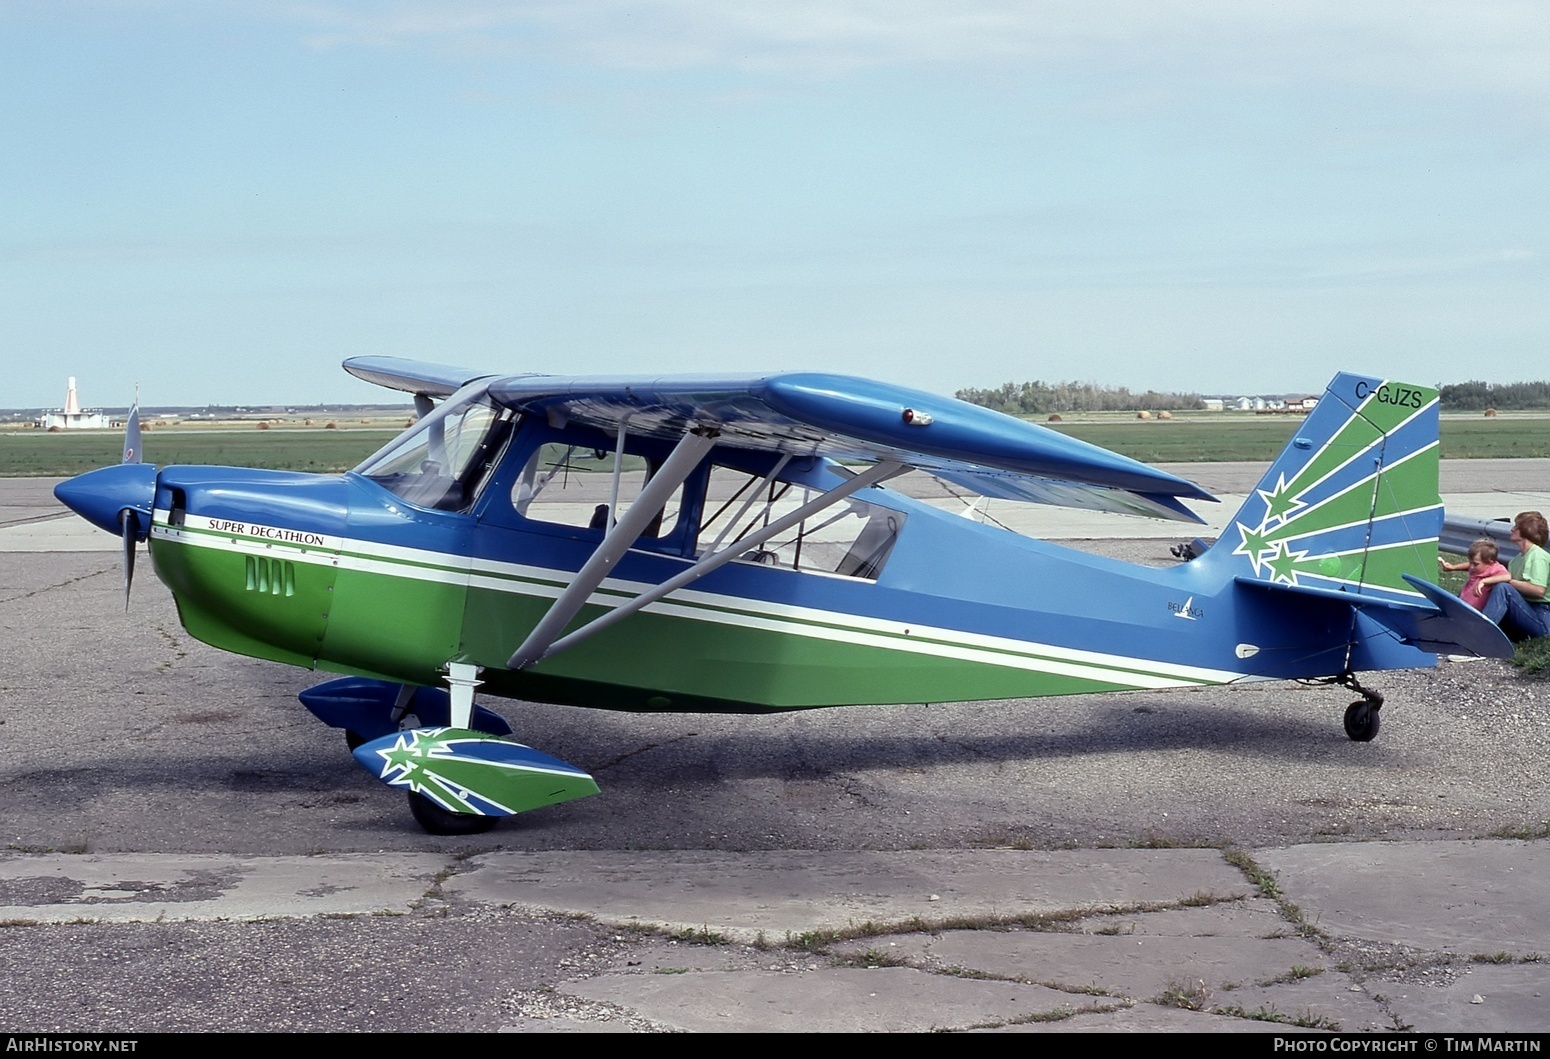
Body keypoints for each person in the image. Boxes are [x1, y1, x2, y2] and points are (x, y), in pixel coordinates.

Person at [1479, 511, 1550, 640]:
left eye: (1516, 527)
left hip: (1540, 619)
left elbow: (1538, 590)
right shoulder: (1516, 560)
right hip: (1524, 612)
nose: (1512, 529)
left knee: (1503, 588)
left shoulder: (1537, 556)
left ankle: (1480, 640)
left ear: (1526, 531)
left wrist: (1509, 582)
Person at [1439, 538, 1509, 611]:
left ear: (1489, 563)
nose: (1472, 567)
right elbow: (1470, 564)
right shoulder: (1477, 567)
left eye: (1475, 564)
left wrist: (1483, 581)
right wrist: (1453, 567)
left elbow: (1507, 576)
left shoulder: (1494, 568)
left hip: (1476, 611)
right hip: (1464, 603)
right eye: (1470, 562)